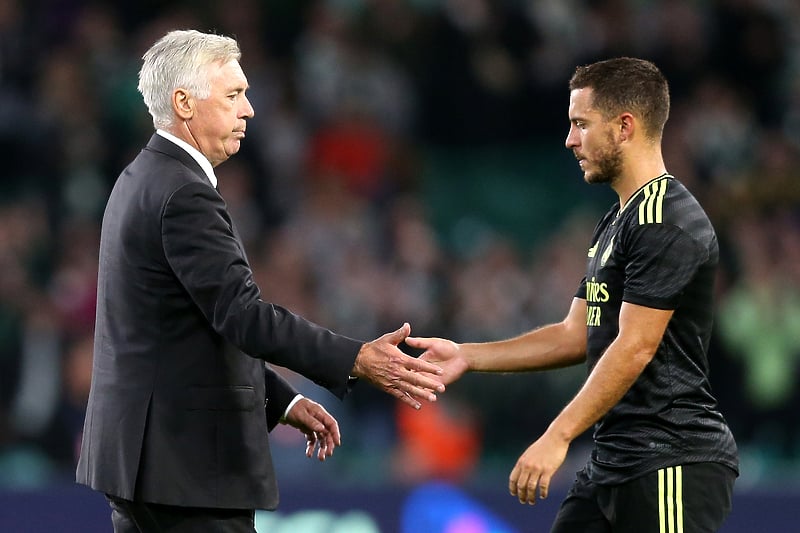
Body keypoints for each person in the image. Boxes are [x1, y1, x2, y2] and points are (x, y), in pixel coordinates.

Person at [76, 29, 445, 533]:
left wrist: (281, 400)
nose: (248, 109)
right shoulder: (183, 193)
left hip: (149, 463)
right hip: (186, 470)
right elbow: (242, 315)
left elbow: (190, 327)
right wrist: (355, 358)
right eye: (233, 95)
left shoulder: (140, 178)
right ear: (183, 103)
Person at [406, 57, 739, 533]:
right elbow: (576, 334)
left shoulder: (666, 221)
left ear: (625, 126)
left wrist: (558, 435)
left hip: (672, 460)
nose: (570, 140)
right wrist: (467, 355)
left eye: (581, 124)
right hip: (614, 462)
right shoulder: (617, 221)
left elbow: (636, 345)